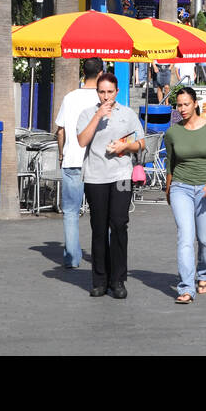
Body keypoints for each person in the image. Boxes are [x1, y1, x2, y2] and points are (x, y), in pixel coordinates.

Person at [78, 72, 146, 299]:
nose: (106, 96)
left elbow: (141, 142)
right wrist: (98, 115)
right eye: (102, 91)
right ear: (97, 92)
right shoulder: (88, 113)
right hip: (95, 177)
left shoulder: (127, 114)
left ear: (117, 92)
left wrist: (125, 147)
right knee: (98, 228)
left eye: (110, 91)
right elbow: (81, 141)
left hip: (121, 175)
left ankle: (117, 280)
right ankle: (99, 279)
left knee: (119, 225)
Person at [163, 86, 206, 304]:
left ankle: (204, 275)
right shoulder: (173, 132)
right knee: (185, 237)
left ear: (195, 104)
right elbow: (170, 164)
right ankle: (186, 288)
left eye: (186, 104)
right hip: (180, 187)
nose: (182, 109)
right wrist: (168, 188)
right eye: (179, 105)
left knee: (204, 238)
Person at [54, 57, 103, 269]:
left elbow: (60, 130)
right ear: (100, 73)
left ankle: (72, 258)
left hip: (72, 160)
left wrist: (62, 155)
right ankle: (103, 256)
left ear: (83, 72)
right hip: (98, 163)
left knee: (71, 212)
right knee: (102, 213)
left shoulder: (70, 97)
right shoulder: (104, 98)